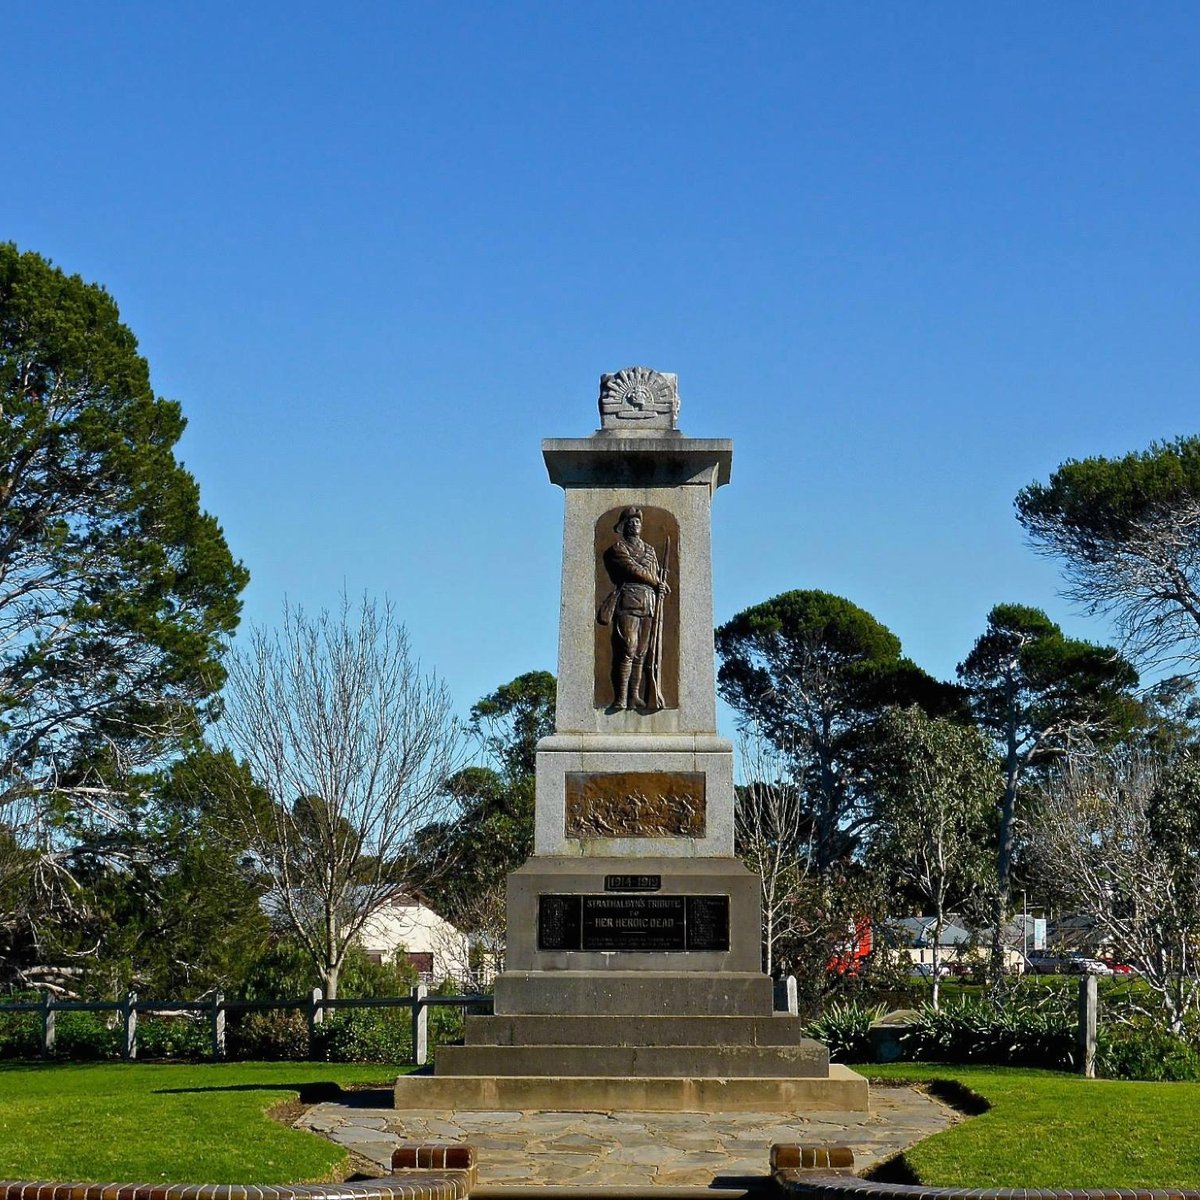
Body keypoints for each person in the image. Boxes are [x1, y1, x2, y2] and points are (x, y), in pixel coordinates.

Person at [598, 507, 670, 710]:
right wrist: (657, 581)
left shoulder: (650, 550)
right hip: (628, 601)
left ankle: (635, 696)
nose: (634, 524)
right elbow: (632, 569)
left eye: (637, 521)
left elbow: (654, 573)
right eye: (630, 521)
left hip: (649, 603)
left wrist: (661, 587)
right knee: (628, 648)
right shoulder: (618, 549)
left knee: (642, 652)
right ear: (623, 526)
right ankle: (620, 697)